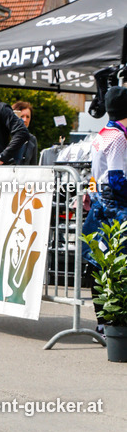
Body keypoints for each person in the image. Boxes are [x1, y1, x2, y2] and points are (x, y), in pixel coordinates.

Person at [81, 86, 127, 330]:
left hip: (102, 202)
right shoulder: (118, 136)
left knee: (100, 263)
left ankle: (104, 322)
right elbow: (117, 177)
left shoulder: (103, 133)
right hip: (114, 204)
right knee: (114, 264)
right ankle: (111, 323)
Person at [12, 99, 38, 165]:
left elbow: (33, 164)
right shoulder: (6, 136)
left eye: (28, 117)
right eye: (22, 116)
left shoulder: (32, 139)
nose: (25, 120)